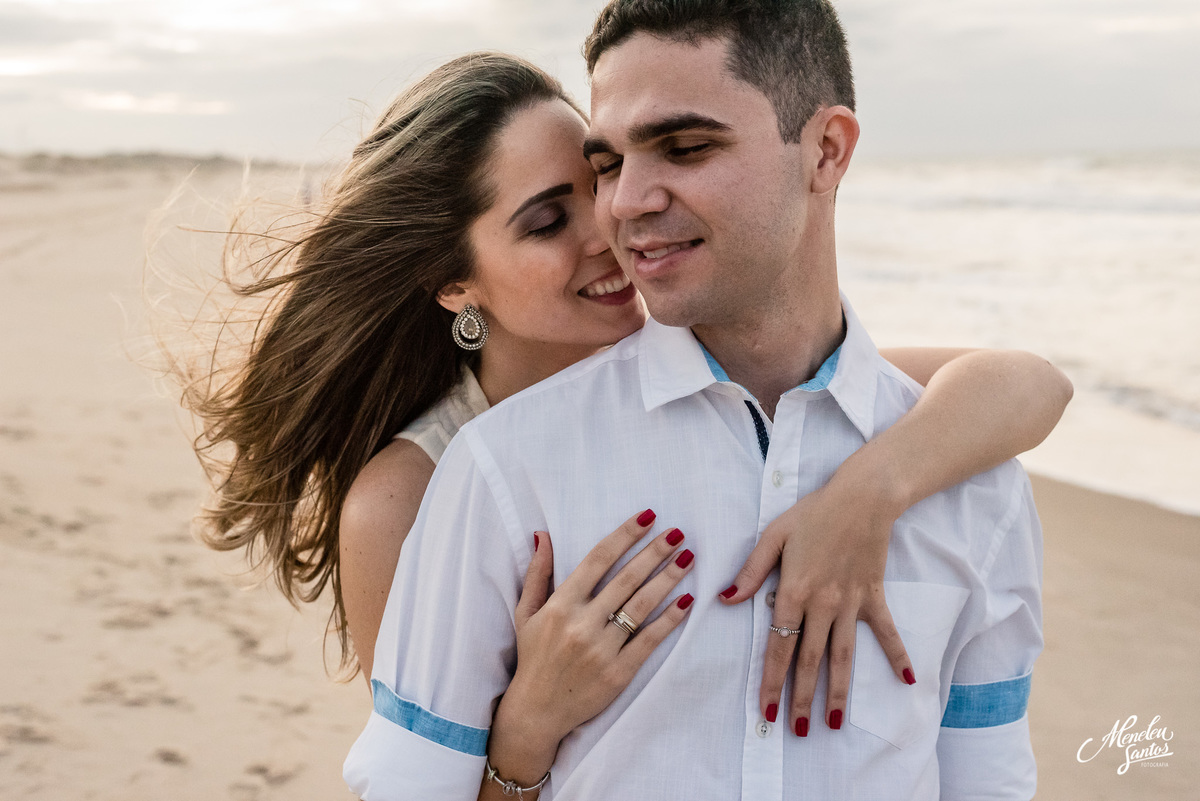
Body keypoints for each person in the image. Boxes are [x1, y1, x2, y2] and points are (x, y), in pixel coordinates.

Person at [343, 2, 1053, 800]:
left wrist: (869, 491)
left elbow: (1026, 381)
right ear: (459, 287)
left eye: (683, 147)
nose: (618, 211)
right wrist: (527, 729)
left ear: (828, 150)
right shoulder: (485, 473)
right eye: (609, 164)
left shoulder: (968, 475)